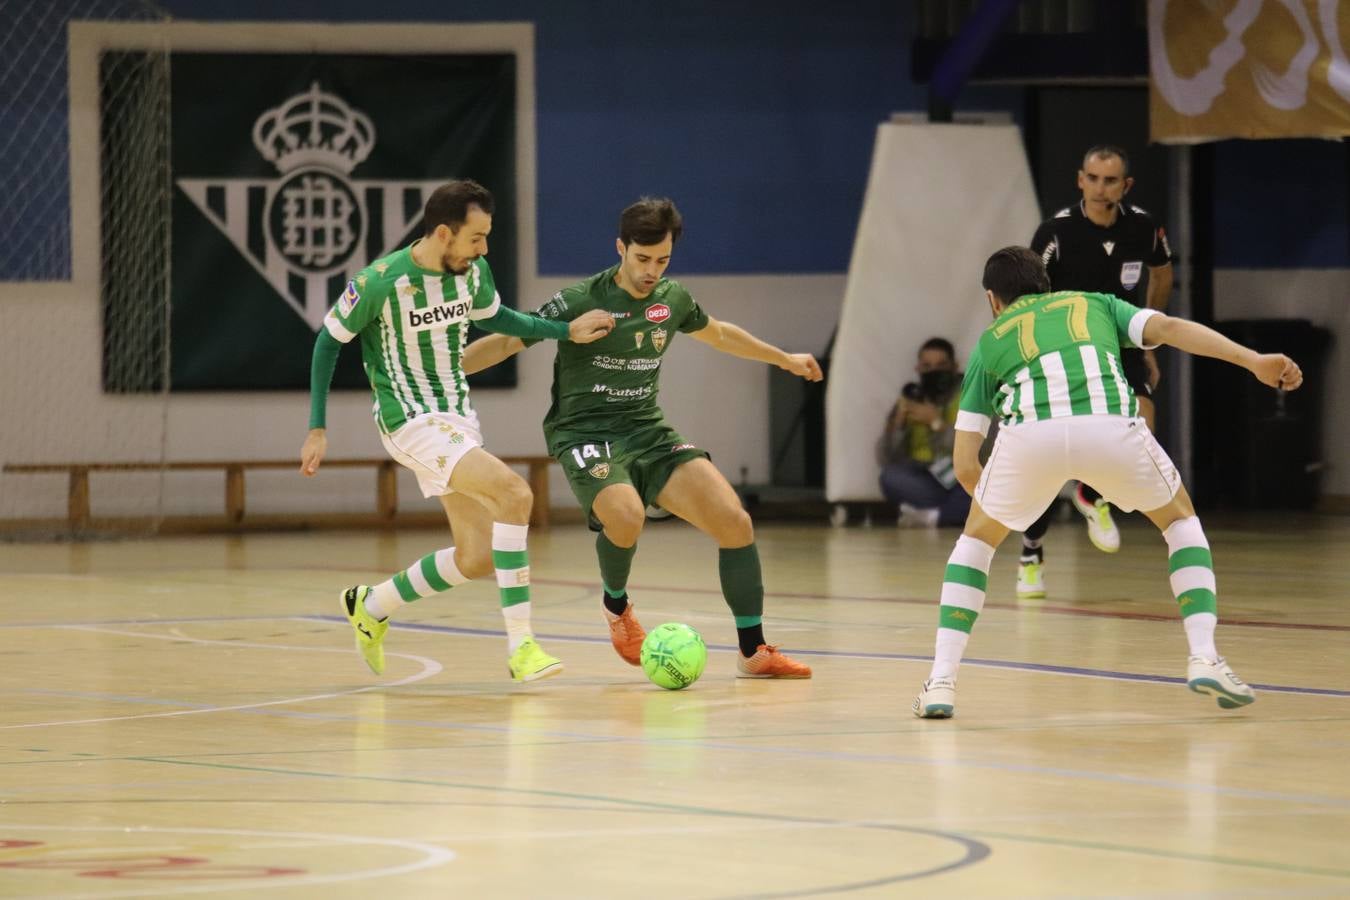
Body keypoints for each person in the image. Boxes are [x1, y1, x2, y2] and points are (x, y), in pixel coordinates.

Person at [911, 246, 1302, 719]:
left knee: (975, 544)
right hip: (1110, 426)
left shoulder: (991, 341)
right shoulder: (1093, 303)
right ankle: (1205, 656)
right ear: (1047, 285)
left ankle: (941, 683)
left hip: (1030, 436)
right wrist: (1253, 359)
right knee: (1180, 523)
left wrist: (1001, 509)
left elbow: (965, 461)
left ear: (993, 300)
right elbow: (1173, 330)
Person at [463, 197, 819, 678]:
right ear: (621, 248)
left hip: (646, 428)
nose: (652, 271)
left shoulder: (671, 300)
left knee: (735, 521)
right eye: (642, 259)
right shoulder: (579, 300)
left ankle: (753, 652)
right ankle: (617, 609)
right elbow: (507, 340)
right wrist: (443, 374)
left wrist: (784, 358)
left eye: (663, 260)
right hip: (585, 433)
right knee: (626, 515)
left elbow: (718, 334)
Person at [300, 180, 615, 682]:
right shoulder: (381, 281)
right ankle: (523, 647)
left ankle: (372, 604)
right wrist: (317, 427)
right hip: (409, 420)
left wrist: (563, 331)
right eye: (476, 238)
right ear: (444, 233)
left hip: (456, 417)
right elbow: (327, 343)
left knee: (477, 557)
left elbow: (502, 319)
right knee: (515, 493)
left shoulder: (473, 273)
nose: (484, 248)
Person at [1017, 144, 1176, 599]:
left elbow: (1162, 274)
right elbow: (1026, 294)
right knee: (1051, 455)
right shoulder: (1056, 232)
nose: (1101, 188)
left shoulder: (1142, 227)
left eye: (1111, 180)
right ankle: (1031, 550)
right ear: (1080, 180)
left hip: (1119, 339)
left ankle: (1093, 495)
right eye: (1093, 178)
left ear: (1125, 185)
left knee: (1143, 423)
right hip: (1066, 347)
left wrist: (1148, 336)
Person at [877, 338, 970, 527]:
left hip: (961, 476)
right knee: (890, 477)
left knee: (984, 490)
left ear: (955, 366)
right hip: (926, 477)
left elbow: (976, 450)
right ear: (918, 369)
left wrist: (936, 423)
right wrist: (897, 426)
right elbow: (885, 457)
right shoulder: (912, 397)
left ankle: (931, 517)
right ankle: (946, 514)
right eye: (927, 366)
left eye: (941, 365)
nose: (934, 372)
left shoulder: (969, 395)